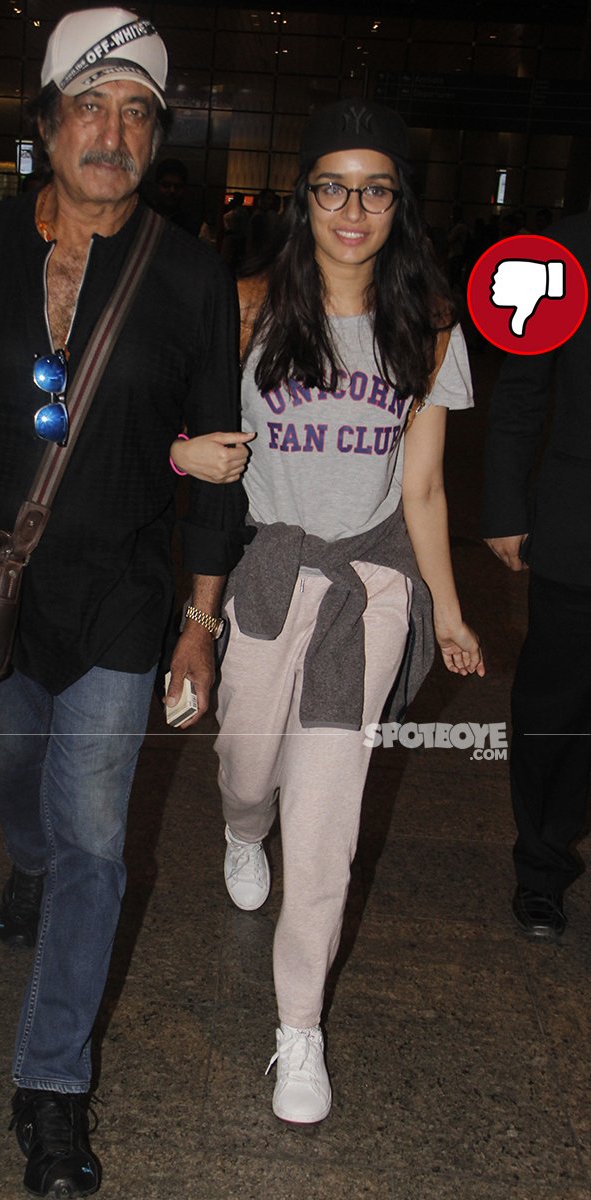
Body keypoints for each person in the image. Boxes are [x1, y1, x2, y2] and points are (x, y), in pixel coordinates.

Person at [0, 8, 248, 1196]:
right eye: (89, 108)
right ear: (44, 126)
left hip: (120, 597)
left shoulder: (188, 279)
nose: (113, 133)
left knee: (96, 836)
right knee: (14, 780)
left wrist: (199, 619)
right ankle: (22, 860)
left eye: (136, 114)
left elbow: (217, 461)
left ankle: (51, 1089)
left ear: (155, 140)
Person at [173, 98, 483, 1126]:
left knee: (329, 821)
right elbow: (191, 439)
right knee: (245, 766)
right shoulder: (250, 307)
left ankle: (296, 1031)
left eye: (374, 186)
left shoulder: (430, 326)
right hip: (269, 576)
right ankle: (237, 825)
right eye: (331, 184)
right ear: (301, 197)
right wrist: (183, 458)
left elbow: (425, 489)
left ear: (398, 202)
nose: (353, 206)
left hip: (371, 590)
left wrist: (445, 609)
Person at [482, 211, 591, 943]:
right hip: (580, 523)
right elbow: (523, 392)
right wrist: (503, 507)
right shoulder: (563, 249)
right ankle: (543, 865)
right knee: (559, 702)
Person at [151, 157, 199, 235]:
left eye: (177, 186)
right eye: (166, 185)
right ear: (156, 186)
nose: (172, 191)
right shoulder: (144, 219)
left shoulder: (195, 226)